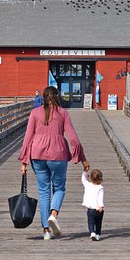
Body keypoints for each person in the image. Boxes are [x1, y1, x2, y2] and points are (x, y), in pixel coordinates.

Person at [19, 85, 89, 240]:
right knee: (59, 188)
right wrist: (82, 158)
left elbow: (27, 138)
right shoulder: (63, 113)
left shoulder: (35, 113)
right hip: (58, 155)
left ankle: (46, 231)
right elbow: (74, 139)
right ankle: (53, 214)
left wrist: (24, 161)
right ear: (57, 97)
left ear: (43, 97)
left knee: (43, 192)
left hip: (37, 155)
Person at [81, 167, 105, 241]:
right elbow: (100, 198)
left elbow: (83, 179)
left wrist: (85, 172)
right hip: (98, 209)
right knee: (98, 223)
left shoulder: (88, 185)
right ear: (100, 179)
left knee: (90, 222)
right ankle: (98, 234)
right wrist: (100, 206)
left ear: (91, 178)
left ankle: (92, 233)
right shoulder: (100, 188)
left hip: (90, 209)